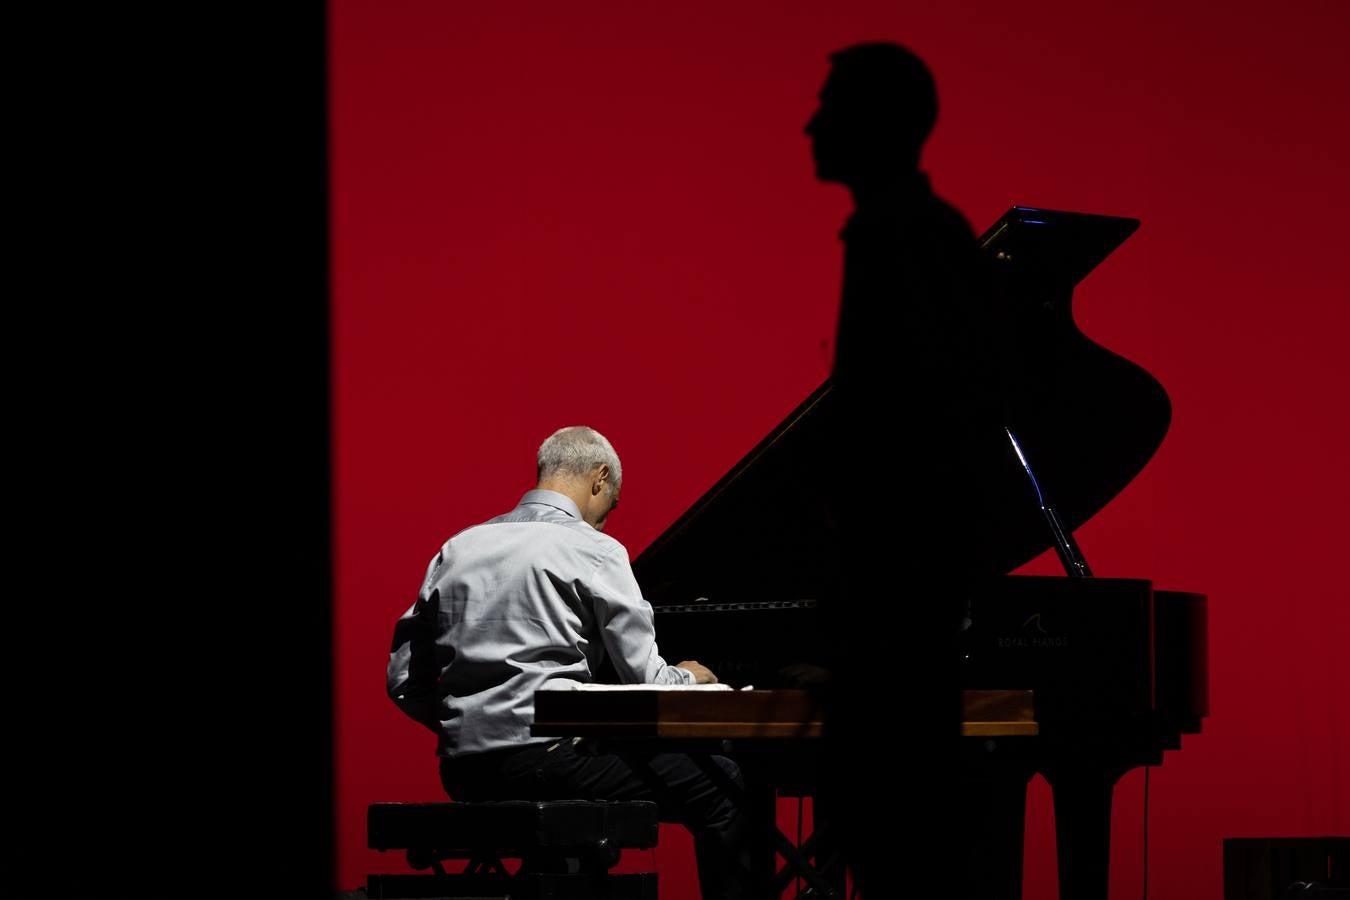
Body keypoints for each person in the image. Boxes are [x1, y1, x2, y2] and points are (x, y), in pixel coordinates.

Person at [387, 425, 751, 900]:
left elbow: (403, 681)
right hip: (548, 761)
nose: (605, 520)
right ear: (600, 479)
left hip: (463, 773)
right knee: (725, 784)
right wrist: (692, 677)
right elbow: (647, 679)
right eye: (611, 506)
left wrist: (471, 721)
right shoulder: (594, 549)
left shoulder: (457, 548)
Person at [806, 43, 1007, 895]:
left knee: (896, 836)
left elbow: (903, 425)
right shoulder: (918, 233)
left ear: (876, 123)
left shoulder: (901, 238)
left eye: (830, 105)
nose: (810, 124)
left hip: (894, 600)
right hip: (906, 597)